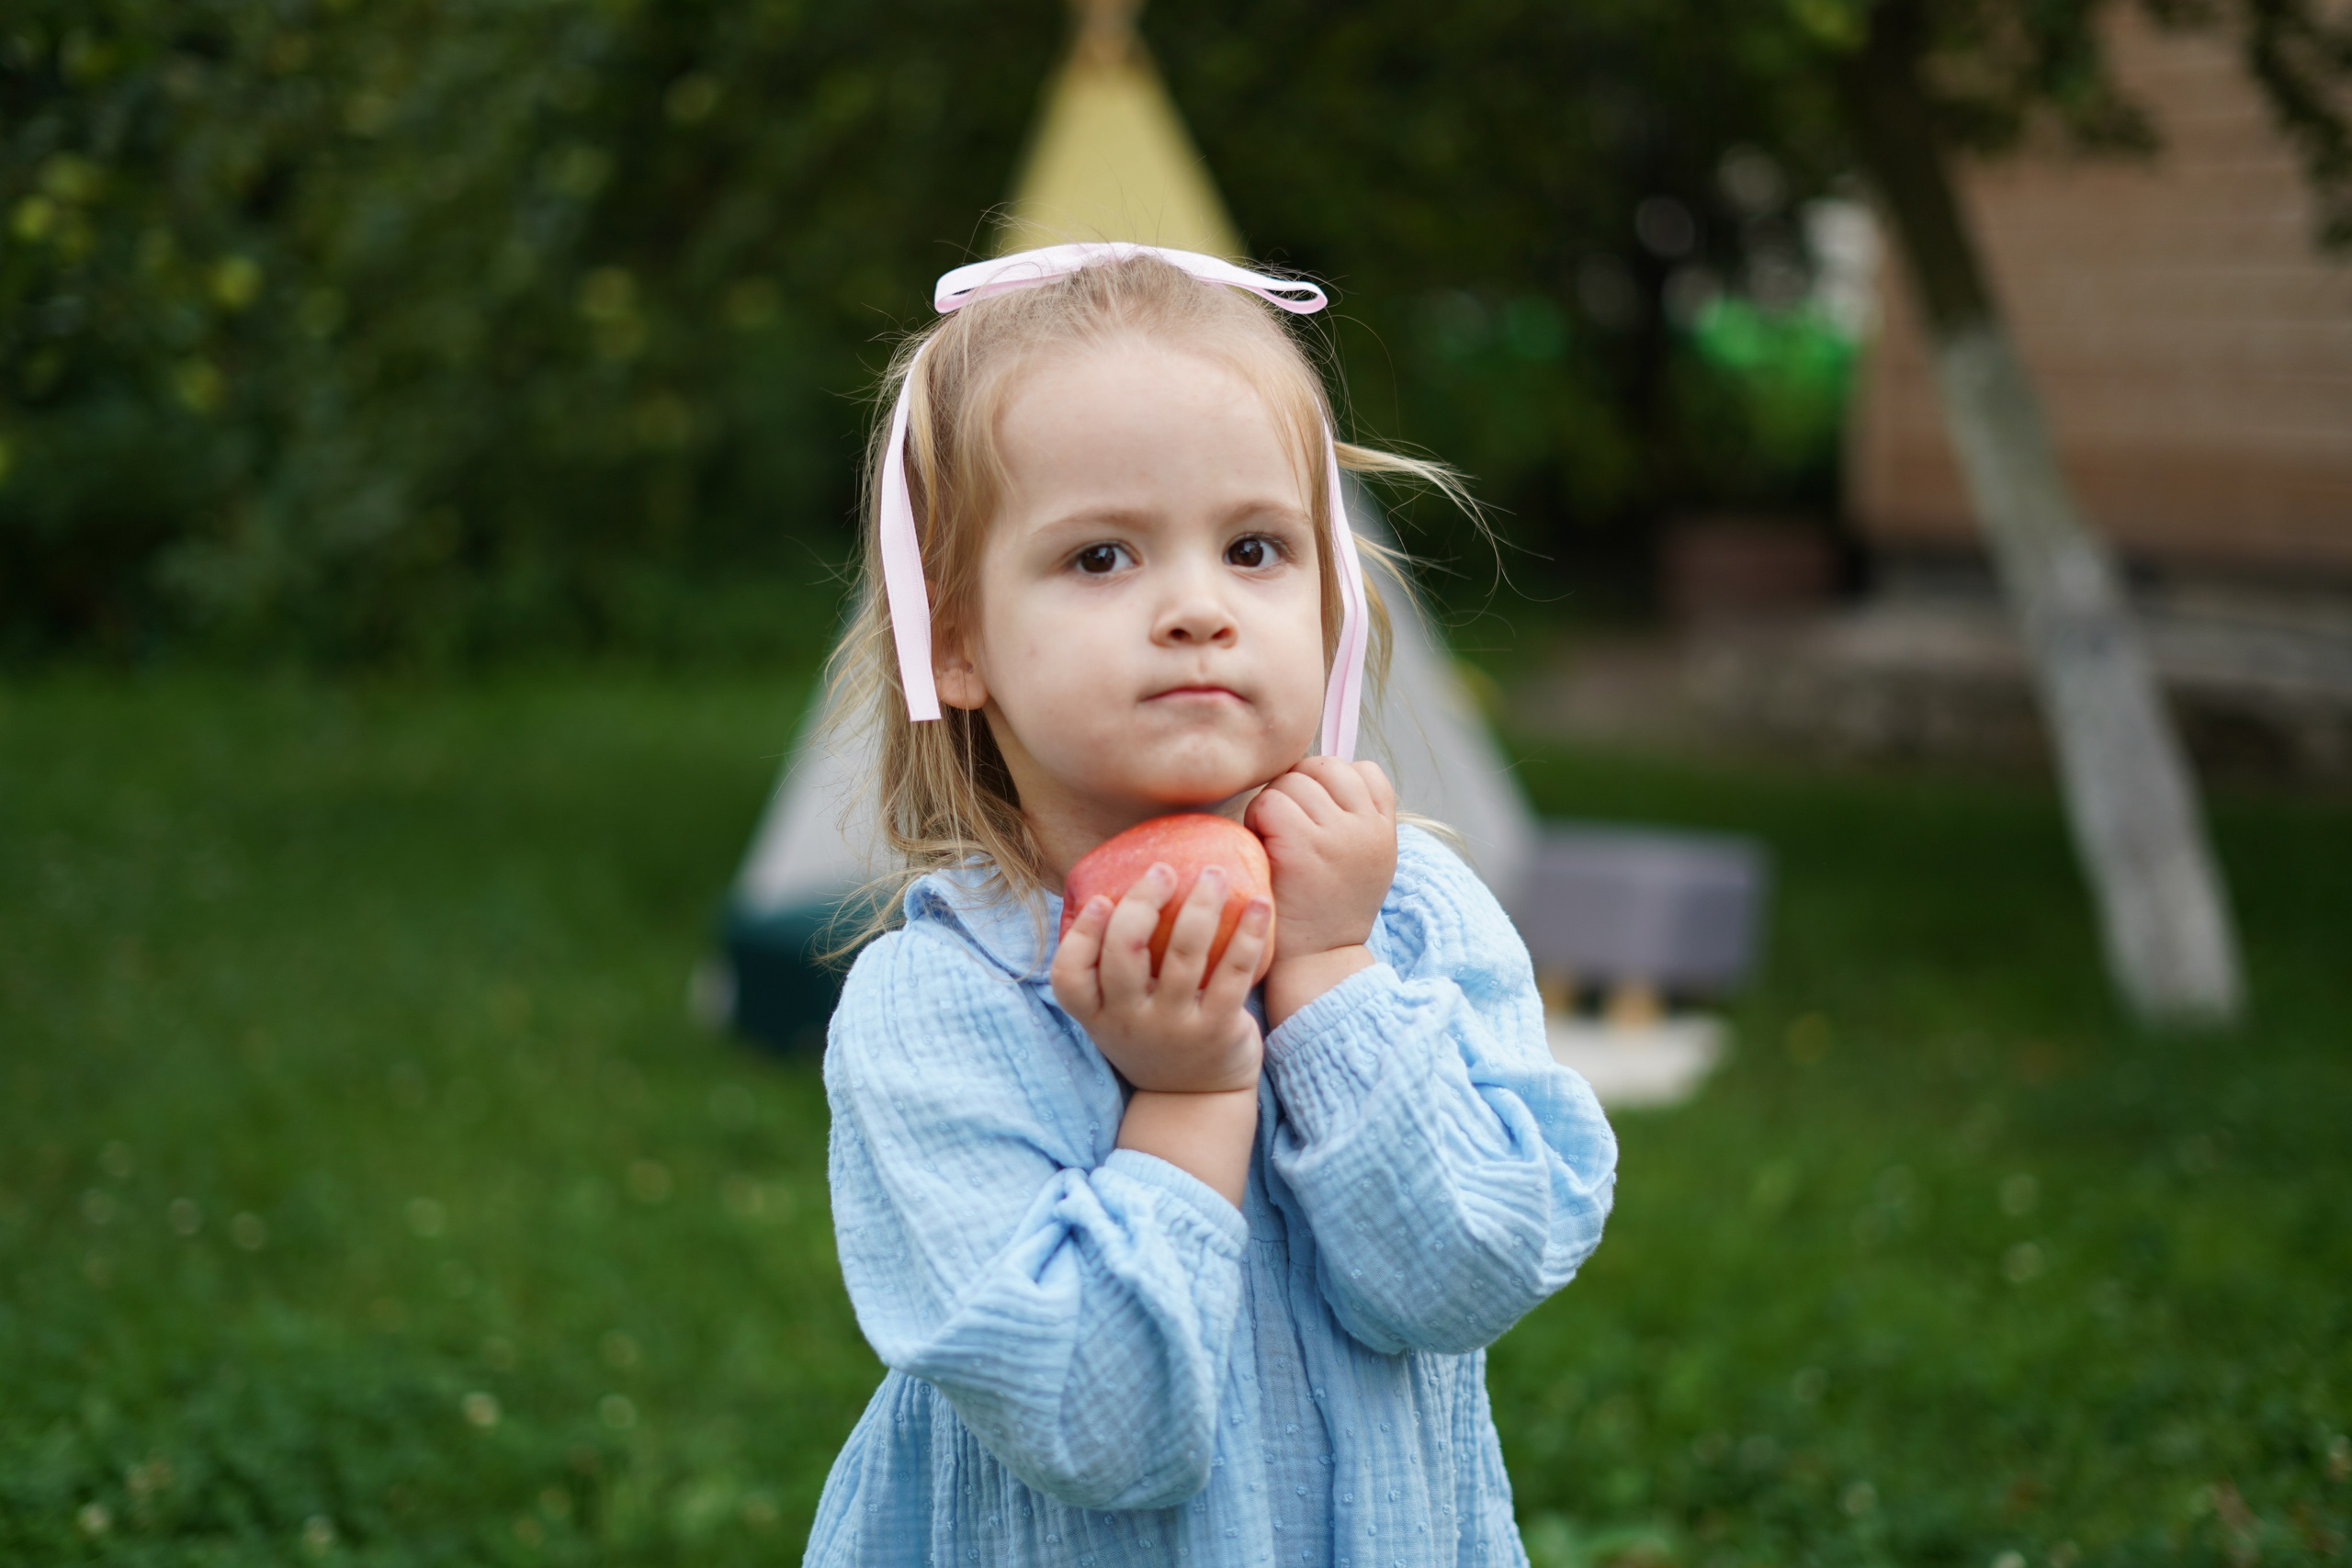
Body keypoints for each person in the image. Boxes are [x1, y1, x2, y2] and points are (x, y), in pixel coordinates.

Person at [804, 243, 1618, 1568]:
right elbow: (1097, 1428)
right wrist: (1185, 1100)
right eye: (1103, 556)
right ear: (953, 637)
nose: (1197, 609)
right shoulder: (940, 1008)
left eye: (1254, 548)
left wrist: (1331, 974)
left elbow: (1471, 1269)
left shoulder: (1409, 915)